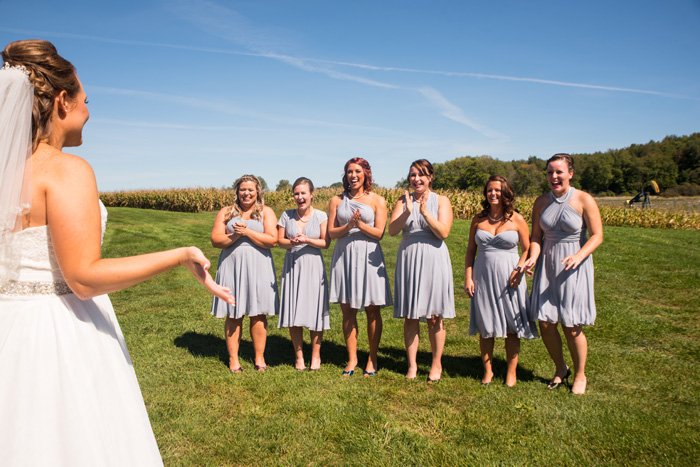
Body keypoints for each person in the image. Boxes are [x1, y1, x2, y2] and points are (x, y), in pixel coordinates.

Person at [0, 40, 233, 466]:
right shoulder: (66, 170)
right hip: (59, 336)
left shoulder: (5, 174)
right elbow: (84, 277)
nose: (90, 110)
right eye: (87, 100)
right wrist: (181, 254)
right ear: (62, 101)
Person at [523, 154, 603, 395]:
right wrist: (532, 257)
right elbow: (536, 236)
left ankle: (580, 375)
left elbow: (597, 235)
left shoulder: (584, 199)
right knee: (546, 322)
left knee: (571, 323)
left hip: (573, 266)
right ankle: (561, 368)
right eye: (549, 172)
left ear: (570, 173)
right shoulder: (540, 202)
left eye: (559, 172)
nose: (554, 177)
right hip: (547, 263)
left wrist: (579, 256)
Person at [464, 175, 538, 387]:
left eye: (497, 190)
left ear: (506, 193)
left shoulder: (517, 219)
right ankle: (488, 371)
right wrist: (468, 277)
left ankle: (511, 372)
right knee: (486, 324)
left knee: (512, 326)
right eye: (489, 190)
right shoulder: (478, 219)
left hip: (510, 277)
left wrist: (519, 269)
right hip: (483, 276)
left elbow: (527, 249)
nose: (493, 194)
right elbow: (470, 251)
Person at [389, 159, 454, 383]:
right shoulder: (402, 200)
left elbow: (444, 232)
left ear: (430, 177)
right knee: (411, 314)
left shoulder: (442, 201)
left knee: (435, 315)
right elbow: (392, 230)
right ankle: (412, 365)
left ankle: (436, 364)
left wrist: (425, 213)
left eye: (421, 175)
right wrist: (407, 212)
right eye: (413, 175)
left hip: (434, 257)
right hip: (409, 257)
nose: (417, 179)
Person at [328, 157, 392, 377]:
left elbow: (380, 233)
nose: (353, 176)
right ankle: (352, 358)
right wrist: (348, 226)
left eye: (357, 171)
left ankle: (372, 358)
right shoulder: (336, 201)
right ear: (345, 175)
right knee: (348, 310)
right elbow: (331, 232)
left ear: (366, 174)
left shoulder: (377, 200)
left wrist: (360, 224)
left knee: (372, 309)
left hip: (369, 255)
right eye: (349, 172)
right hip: (344, 254)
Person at [211, 174, 279, 373]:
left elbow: (272, 240)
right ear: (237, 192)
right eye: (243, 189)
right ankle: (234, 360)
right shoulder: (226, 212)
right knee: (234, 313)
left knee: (258, 314)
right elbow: (215, 240)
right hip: (232, 267)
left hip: (259, 267)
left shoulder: (265, 212)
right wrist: (235, 235)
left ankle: (259, 358)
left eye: (250, 189)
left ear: (257, 191)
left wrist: (248, 232)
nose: (246, 193)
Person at [277, 177, 330, 371]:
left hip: (313, 266)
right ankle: (299, 356)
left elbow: (326, 243)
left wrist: (307, 240)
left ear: (311, 194)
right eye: (296, 193)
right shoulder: (286, 215)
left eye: (303, 193)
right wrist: (292, 242)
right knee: (294, 309)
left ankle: (316, 356)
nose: (300, 197)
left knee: (315, 309)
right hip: (293, 266)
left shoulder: (321, 216)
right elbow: (278, 241)